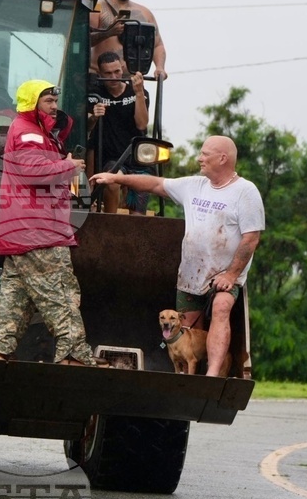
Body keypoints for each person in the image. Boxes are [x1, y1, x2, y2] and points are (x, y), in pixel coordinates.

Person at [90, 135, 264, 376]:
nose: (199, 158)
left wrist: (232, 274)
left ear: (223, 158)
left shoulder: (245, 192)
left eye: (205, 154)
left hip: (224, 275)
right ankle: (188, 376)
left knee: (222, 307)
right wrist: (116, 178)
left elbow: (251, 238)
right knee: (191, 329)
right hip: (191, 275)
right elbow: (154, 184)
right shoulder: (194, 186)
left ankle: (212, 374)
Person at [0, 80, 103, 366]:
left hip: (21, 230)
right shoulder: (30, 134)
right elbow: (33, 172)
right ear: (32, 104)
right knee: (61, 292)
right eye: (48, 101)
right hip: (38, 229)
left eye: (54, 100)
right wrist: (69, 166)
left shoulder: (34, 131)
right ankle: (74, 355)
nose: (55, 105)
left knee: (15, 296)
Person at [87, 50, 151, 213]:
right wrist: (94, 117)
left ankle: (134, 231)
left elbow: (142, 124)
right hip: (111, 158)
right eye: (108, 73)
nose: (114, 77)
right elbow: (87, 131)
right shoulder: (94, 95)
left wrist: (139, 93)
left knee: (139, 203)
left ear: (122, 68)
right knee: (111, 181)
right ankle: (110, 222)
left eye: (117, 72)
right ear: (100, 73)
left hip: (137, 156)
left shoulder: (138, 92)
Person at [90, 0, 168, 81]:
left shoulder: (145, 13)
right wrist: (109, 32)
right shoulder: (97, 9)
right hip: (102, 81)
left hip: (133, 81)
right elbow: (85, 41)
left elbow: (158, 45)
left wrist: (160, 68)